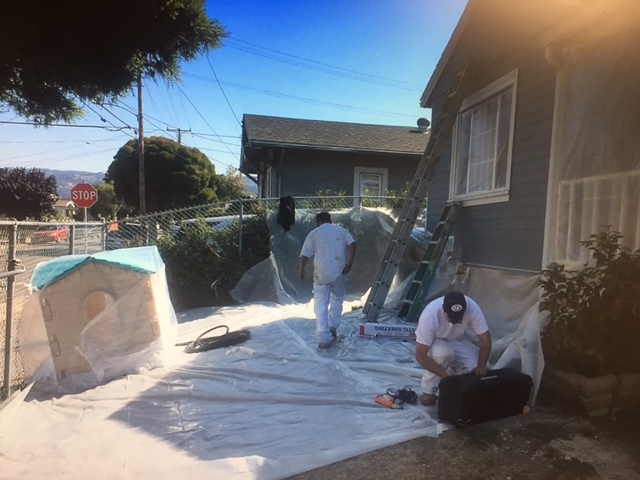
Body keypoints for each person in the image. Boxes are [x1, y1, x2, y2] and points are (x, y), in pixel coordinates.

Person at [414, 291, 492, 406]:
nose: (453, 320)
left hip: (458, 339)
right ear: (443, 309)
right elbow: (420, 354)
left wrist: (480, 365)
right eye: (450, 316)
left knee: (477, 369)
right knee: (445, 354)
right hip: (436, 340)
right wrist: (444, 376)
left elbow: (485, 339)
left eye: (458, 317)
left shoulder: (472, 307)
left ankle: (457, 381)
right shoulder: (430, 315)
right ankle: (428, 390)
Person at [299, 212, 356, 348]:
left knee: (321, 305)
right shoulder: (341, 231)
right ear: (330, 220)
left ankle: (323, 339)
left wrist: (302, 270)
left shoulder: (314, 234)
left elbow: (305, 254)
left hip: (321, 274)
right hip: (339, 272)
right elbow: (353, 244)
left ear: (317, 222)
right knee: (337, 299)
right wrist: (349, 264)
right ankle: (333, 327)